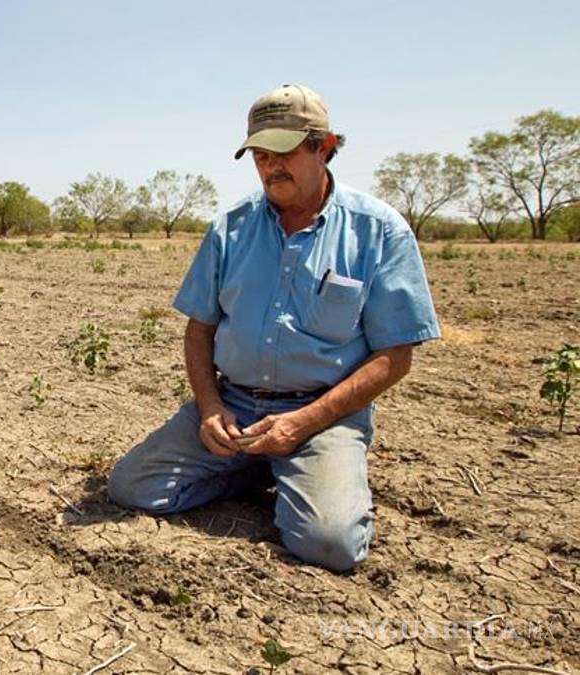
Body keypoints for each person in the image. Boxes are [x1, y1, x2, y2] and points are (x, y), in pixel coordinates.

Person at [106, 83, 440, 572]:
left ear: (324, 148)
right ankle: (252, 467)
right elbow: (199, 330)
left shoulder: (378, 230)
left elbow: (395, 357)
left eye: (283, 152)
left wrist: (301, 424)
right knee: (132, 487)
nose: (270, 166)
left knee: (329, 545)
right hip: (234, 405)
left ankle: (304, 474)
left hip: (321, 416)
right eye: (259, 155)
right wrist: (210, 407)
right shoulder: (231, 228)